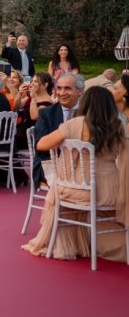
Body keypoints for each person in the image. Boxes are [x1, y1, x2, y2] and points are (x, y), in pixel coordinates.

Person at [22, 86, 129, 262]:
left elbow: (41, 144)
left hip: (79, 189)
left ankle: (67, 243)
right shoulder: (119, 126)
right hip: (112, 190)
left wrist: (65, 144)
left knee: (56, 191)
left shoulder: (75, 124)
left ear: (85, 103)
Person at [33, 73, 84, 188]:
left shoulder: (89, 112)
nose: (62, 93)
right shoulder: (46, 113)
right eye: (59, 88)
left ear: (80, 91)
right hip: (52, 164)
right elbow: (39, 146)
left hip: (84, 164)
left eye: (67, 88)